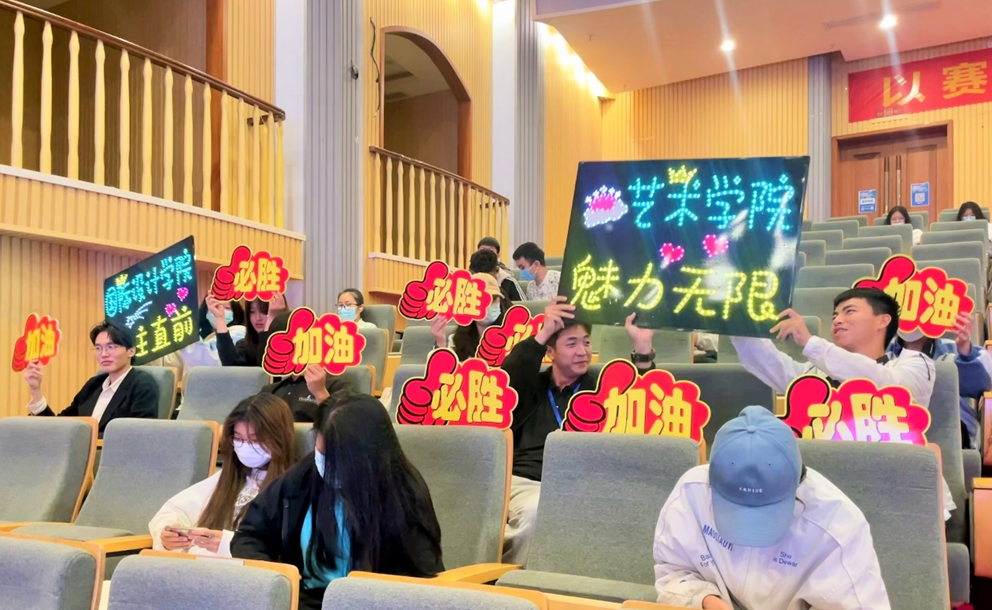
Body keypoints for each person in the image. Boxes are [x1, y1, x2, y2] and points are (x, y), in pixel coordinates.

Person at [653, 406, 891, 609]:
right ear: (711, 481)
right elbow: (672, 572)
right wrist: (705, 600)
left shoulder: (838, 526)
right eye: (734, 508)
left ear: (797, 485)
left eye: (765, 511)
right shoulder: (690, 493)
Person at [232, 392, 443, 610]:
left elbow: (419, 584)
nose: (323, 463)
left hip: (371, 604)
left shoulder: (404, 496)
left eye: (333, 458)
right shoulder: (304, 474)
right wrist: (278, 577)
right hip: (304, 600)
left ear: (365, 458)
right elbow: (250, 534)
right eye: (320, 452)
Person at [500, 296, 656, 565]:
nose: (582, 351)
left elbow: (643, 403)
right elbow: (507, 378)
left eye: (586, 342)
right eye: (571, 344)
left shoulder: (601, 388)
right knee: (535, 510)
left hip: (581, 485)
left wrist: (642, 347)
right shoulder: (530, 385)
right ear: (550, 352)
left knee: (549, 511)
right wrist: (544, 333)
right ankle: (508, 579)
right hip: (525, 481)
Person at [730, 287, 935, 407]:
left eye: (849, 311)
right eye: (835, 315)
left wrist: (811, 343)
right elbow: (770, 364)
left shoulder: (914, 363)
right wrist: (738, 325)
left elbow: (893, 390)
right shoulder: (817, 373)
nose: (837, 320)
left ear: (882, 321)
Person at [149, 394, 298, 557]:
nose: (245, 447)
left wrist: (229, 544)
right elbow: (174, 511)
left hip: (244, 569)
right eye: (238, 439)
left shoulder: (293, 485)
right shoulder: (229, 476)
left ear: (279, 439)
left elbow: (285, 547)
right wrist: (168, 536)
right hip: (195, 564)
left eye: (255, 440)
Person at [22, 321, 158, 434]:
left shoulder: (142, 385)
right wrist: (35, 390)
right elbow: (60, 427)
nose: (103, 354)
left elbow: (139, 435)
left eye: (111, 347)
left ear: (131, 351)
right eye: (98, 348)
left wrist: (86, 440)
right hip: (80, 454)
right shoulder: (93, 385)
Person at [888, 312, 992, 449]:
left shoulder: (953, 349)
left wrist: (965, 351)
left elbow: (983, 385)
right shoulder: (881, 351)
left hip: (954, 434)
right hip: (892, 433)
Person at [430, 272, 508, 361]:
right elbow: (444, 368)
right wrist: (440, 342)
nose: (487, 305)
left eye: (493, 299)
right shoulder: (457, 340)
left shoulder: (514, 336)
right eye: (480, 300)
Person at [209, 292, 288, 366]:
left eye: (264, 311)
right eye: (252, 311)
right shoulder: (245, 345)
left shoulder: (290, 343)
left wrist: (272, 318)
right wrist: (219, 317)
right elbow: (230, 365)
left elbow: (265, 363)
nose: (258, 318)